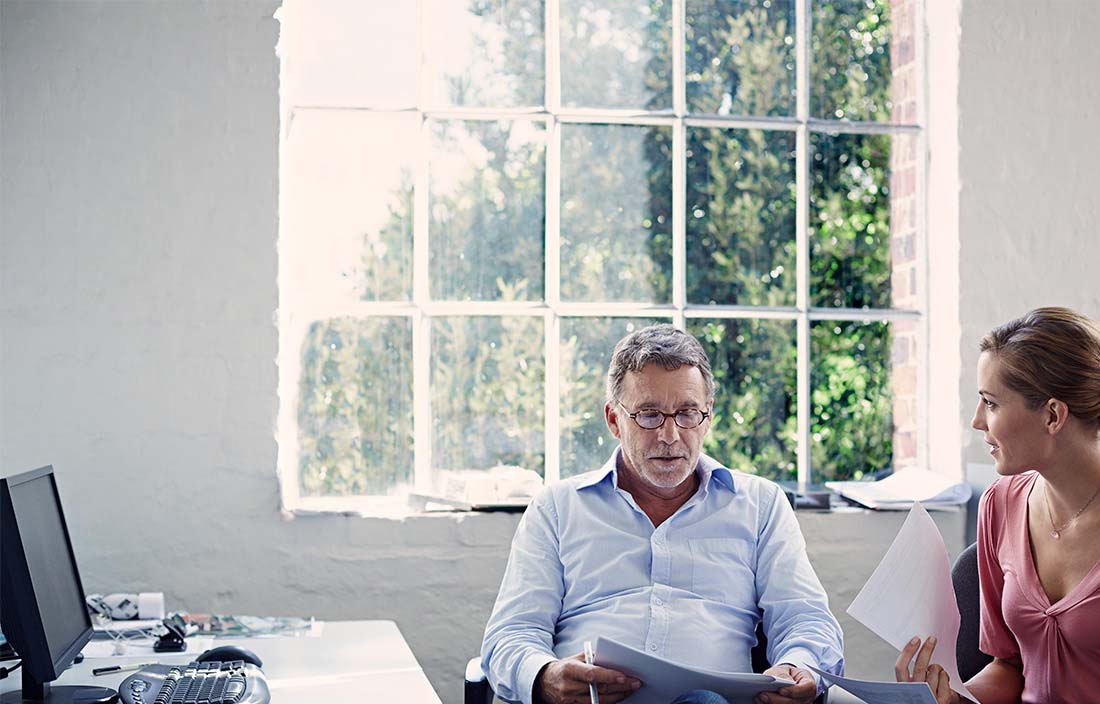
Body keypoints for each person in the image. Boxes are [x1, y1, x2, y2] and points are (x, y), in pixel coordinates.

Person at [481, 324, 844, 704]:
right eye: (650, 416)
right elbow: (511, 634)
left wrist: (797, 666)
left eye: (687, 414)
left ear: (708, 417)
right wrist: (544, 675)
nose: (670, 436)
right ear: (613, 420)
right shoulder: (557, 507)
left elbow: (807, 620)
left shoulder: (760, 505)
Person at [895, 307, 1100, 703]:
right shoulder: (999, 505)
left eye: (990, 403)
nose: (976, 421)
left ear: (1053, 415)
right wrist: (954, 699)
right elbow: (1009, 666)